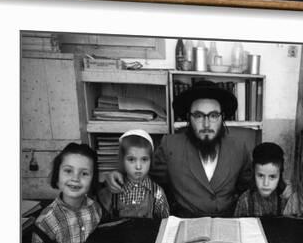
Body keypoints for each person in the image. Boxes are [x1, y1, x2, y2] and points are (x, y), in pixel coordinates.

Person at [103, 81, 252, 217]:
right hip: (184, 222)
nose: (206, 124)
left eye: (213, 115)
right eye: (199, 116)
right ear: (189, 118)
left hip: (228, 222)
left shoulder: (239, 147)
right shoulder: (170, 145)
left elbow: (248, 187)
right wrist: (120, 173)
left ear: (222, 117)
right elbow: (145, 174)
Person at [98, 129, 170, 219]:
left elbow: (165, 223)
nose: (138, 166)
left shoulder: (157, 193)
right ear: (122, 160)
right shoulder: (113, 191)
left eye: (144, 159)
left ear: (151, 160)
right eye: (131, 159)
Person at [234, 142, 287, 217]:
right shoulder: (245, 200)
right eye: (261, 176)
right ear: (254, 173)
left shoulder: (285, 199)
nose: (265, 183)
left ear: (280, 175)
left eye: (272, 177)